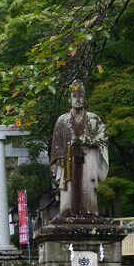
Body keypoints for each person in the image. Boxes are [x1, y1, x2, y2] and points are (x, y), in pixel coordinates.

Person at [49, 80, 109, 216]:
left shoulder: (94, 119)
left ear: (84, 98)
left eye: (80, 96)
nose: (78, 100)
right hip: (68, 161)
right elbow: (56, 145)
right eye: (75, 96)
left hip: (89, 159)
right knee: (68, 192)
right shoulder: (62, 120)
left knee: (88, 189)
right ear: (70, 99)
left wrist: (92, 141)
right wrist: (56, 163)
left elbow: (104, 138)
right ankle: (67, 212)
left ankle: (90, 211)